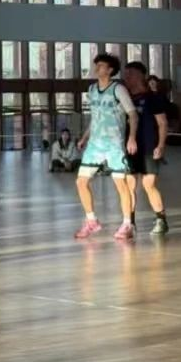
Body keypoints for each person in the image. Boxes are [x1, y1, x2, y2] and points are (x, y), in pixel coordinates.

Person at [74, 54, 138, 240]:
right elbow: (95, 117)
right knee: (81, 182)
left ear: (110, 70)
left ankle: (127, 224)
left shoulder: (118, 89)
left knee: (121, 184)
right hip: (95, 144)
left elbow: (133, 114)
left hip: (114, 144)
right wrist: (85, 137)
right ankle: (91, 221)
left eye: (101, 65)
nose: (97, 68)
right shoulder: (92, 89)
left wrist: (131, 138)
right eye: (96, 65)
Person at [124, 62, 170, 235]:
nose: (127, 78)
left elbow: (162, 123)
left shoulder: (153, 98)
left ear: (139, 76)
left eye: (130, 74)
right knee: (129, 184)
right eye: (126, 74)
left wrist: (161, 145)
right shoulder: (126, 98)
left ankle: (161, 220)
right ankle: (130, 223)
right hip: (130, 148)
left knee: (148, 184)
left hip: (150, 147)